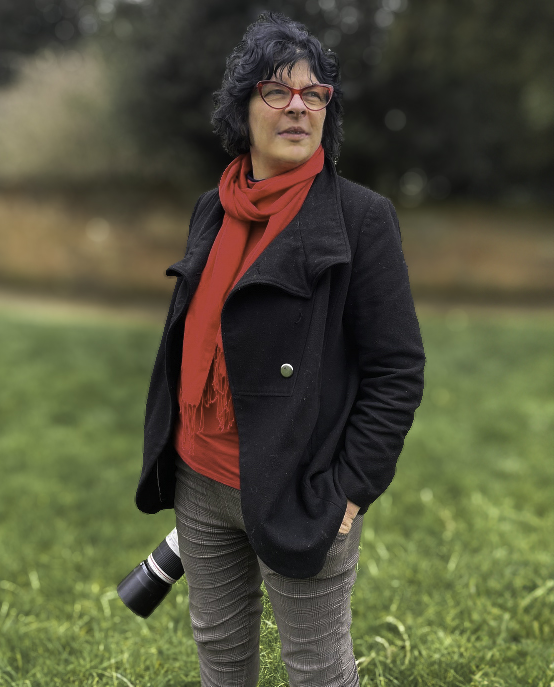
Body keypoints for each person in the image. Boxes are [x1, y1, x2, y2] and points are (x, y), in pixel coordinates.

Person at [135, 12, 425, 687]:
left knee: (317, 668)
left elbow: (397, 368)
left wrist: (351, 489)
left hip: (303, 483)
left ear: (327, 110)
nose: (298, 106)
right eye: (276, 90)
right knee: (220, 651)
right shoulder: (212, 208)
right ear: (244, 108)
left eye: (313, 93)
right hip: (199, 474)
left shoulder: (361, 218)